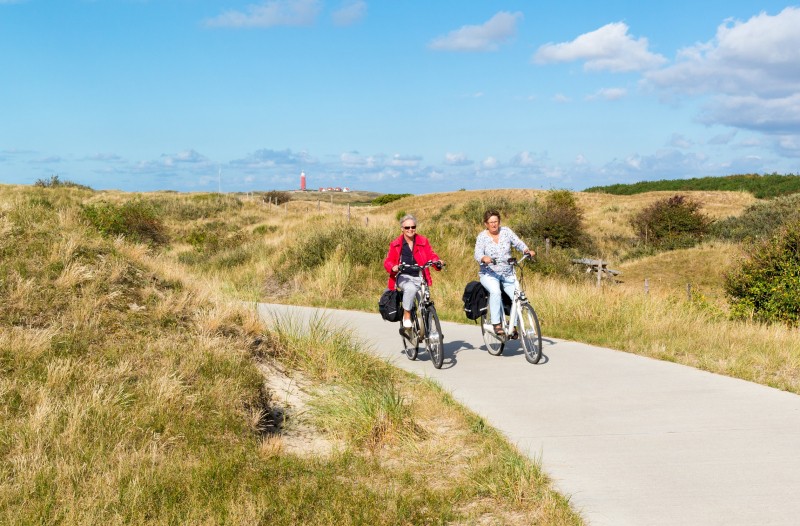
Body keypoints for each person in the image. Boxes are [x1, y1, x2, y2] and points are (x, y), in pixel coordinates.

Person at [474, 209, 535, 336]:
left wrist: (526, 250)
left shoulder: (506, 232)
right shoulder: (482, 237)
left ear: (499, 222)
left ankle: (513, 327)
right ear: (486, 224)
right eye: (491, 222)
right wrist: (484, 258)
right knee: (495, 291)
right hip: (489, 274)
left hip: (507, 273)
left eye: (496, 221)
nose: (494, 224)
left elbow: (518, 242)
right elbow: (478, 253)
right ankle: (496, 324)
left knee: (517, 297)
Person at [383, 214, 444, 332]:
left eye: (413, 227)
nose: (410, 229)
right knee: (410, 289)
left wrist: (437, 261)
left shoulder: (423, 241)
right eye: (407, 227)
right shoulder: (396, 244)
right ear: (402, 229)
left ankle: (428, 332)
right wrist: (393, 267)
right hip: (404, 276)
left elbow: (431, 255)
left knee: (425, 302)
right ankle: (407, 315)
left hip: (420, 275)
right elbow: (388, 261)